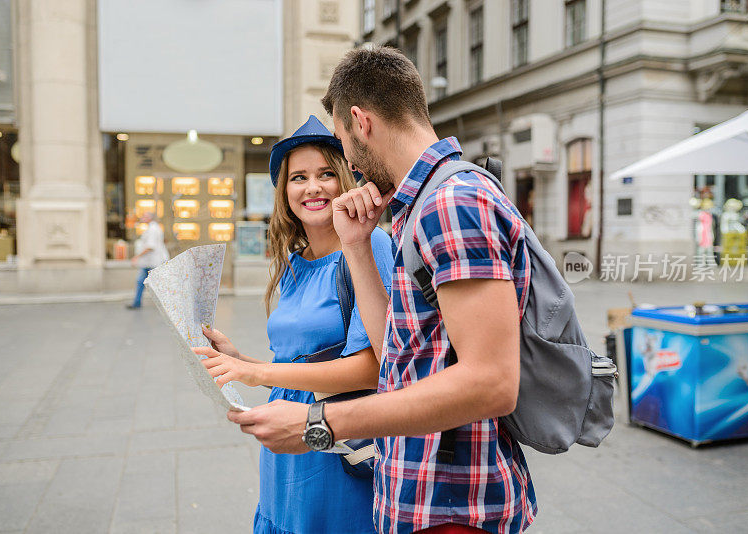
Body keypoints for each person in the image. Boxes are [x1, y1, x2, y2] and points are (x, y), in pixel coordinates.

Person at [226, 47, 537, 533]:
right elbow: (398, 355)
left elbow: (492, 383)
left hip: (452, 500)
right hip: (416, 490)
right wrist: (354, 245)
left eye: (340, 152)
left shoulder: (452, 203)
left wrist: (318, 423)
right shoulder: (422, 205)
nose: (349, 163)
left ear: (359, 122)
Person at [194, 115, 394, 534]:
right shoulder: (293, 265)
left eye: (325, 174)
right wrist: (240, 361)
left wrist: (256, 370)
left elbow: (375, 365)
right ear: (284, 193)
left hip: (340, 452)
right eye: (298, 177)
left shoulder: (369, 244)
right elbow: (299, 369)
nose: (312, 187)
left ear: (346, 180)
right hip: (284, 453)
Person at [126, 212, 169, 309]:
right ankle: (137, 302)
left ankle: (167, 304)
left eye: (144, 216)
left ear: (150, 218)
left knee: (155, 283)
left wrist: (137, 257)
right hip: (150, 262)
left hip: (153, 262)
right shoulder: (152, 228)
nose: (142, 217)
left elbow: (150, 246)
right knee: (142, 281)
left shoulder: (153, 229)